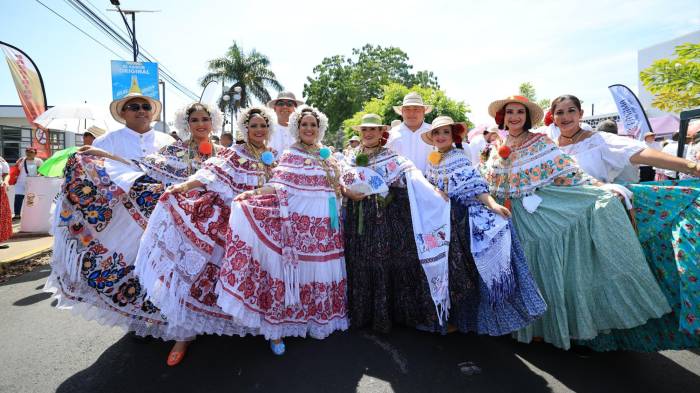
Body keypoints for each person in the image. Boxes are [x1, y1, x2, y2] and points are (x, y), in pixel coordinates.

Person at [481, 95, 670, 350]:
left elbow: (567, 170)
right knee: (521, 270)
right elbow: (488, 180)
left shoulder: (539, 142)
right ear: (501, 117)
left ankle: (547, 328)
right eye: (510, 112)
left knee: (542, 270)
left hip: (537, 215)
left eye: (520, 112)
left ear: (527, 118)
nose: (514, 117)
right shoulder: (496, 146)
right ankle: (526, 326)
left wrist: (600, 187)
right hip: (508, 218)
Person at [44, 98, 216, 350]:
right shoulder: (172, 149)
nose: (141, 111)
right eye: (134, 107)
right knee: (147, 269)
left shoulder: (173, 142)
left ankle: (200, 317)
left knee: (191, 270)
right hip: (144, 220)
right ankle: (159, 323)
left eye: (145, 107)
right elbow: (141, 169)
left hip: (195, 222)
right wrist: (99, 154)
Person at [548, 95, 700, 351]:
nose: (565, 117)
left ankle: (604, 332)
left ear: (581, 113)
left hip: (597, 216)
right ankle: (576, 330)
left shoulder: (598, 141)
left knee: (599, 276)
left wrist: (691, 166)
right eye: (559, 112)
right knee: (571, 277)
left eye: (570, 111)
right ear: (553, 117)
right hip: (561, 222)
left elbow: (641, 153)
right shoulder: (549, 146)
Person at [135, 106, 277, 366]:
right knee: (198, 271)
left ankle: (268, 328)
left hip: (264, 226)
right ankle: (184, 334)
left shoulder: (270, 156)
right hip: (221, 221)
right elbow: (207, 174)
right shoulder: (233, 153)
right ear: (245, 129)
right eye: (253, 125)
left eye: (263, 125)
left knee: (262, 273)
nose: (258, 130)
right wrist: (181, 187)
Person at [215, 105, 353, 355]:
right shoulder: (291, 153)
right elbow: (277, 185)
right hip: (300, 228)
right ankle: (281, 328)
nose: (309, 129)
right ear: (296, 129)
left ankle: (315, 319)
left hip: (327, 224)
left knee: (321, 267)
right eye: (304, 125)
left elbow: (340, 184)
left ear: (319, 128)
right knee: (297, 272)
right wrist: (253, 194)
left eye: (313, 124)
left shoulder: (328, 155)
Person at [419, 116, 546, 335]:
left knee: (467, 272)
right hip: (441, 224)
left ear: (453, 137)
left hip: (461, 221)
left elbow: (478, 188)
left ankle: (474, 321)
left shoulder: (459, 158)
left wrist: (494, 205)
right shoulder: (432, 160)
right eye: (437, 133)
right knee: (447, 271)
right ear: (431, 138)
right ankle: (452, 319)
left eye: (446, 133)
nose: (441, 137)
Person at [341, 113, 452, 333]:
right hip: (357, 217)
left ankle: (388, 315)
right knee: (360, 260)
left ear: (382, 132)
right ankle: (363, 314)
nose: (369, 133)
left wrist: (433, 191)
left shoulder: (392, 156)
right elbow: (340, 180)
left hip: (384, 218)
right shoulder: (350, 157)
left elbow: (411, 175)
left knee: (384, 261)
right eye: (365, 130)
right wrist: (348, 192)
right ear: (360, 133)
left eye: (373, 129)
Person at [385, 92, 433, 172]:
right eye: (407, 109)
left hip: (430, 182)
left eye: (416, 109)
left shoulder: (434, 132)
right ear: (402, 112)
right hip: (398, 183)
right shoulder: (391, 135)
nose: (411, 113)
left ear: (423, 111)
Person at [12, 147, 43, 219]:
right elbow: (16, 169)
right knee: (18, 198)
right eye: (27, 151)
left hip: (32, 183)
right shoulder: (21, 160)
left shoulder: (38, 161)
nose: (28, 153)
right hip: (20, 182)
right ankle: (17, 214)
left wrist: (38, 175)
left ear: (35, 154)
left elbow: (42, 170)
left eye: (31, 152)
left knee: (31, 198)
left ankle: (31, 215)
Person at [0, 156, 11, 249]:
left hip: (0, 189)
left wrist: (6, 181)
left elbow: (6, 173)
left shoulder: (1, 160)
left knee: (1, 215)